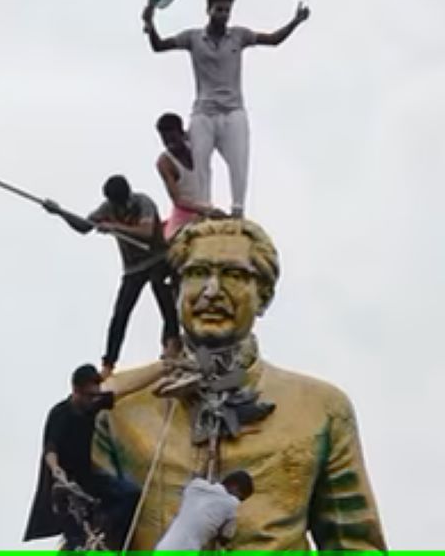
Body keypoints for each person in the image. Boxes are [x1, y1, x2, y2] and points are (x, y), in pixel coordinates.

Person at [91, 218, 387, 550]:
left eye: (234, 275)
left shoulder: (322, 410)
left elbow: (356, 545)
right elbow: (86, 539)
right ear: (175, 291)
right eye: (198, 273)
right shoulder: (119, 412)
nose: (212, 291)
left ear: (264, 296)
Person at [142, 0, 311, 219]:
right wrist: (150, 24)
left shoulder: (238, 36)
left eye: (227, 11)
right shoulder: (193, 38)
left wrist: (295, 22)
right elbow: (159, 46)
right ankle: (205, 210)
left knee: (239, 161)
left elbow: (272, 40)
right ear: (208, 10)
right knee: (201, 162)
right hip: (204, 112)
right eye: (218, 10)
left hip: (233, 110)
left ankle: (238, 210)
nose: (223, 15)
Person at [43, 175, 180, 377]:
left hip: (157, 258)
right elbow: (84, 226)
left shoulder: (143, 202)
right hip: (133, 267)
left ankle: (171, 341)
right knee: (120, 313)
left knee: (161, 291)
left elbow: (147, 231)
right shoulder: (107, 208)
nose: (120, 207)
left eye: (122, 203)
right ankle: (109, 363)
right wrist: (60, 212)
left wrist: (115, 227)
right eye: (116, 204)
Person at [23, 361, 167, 550]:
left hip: (87, 478)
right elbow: (50, 449)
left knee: (130, 494)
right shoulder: (60, 414)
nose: (94, 399)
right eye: (89, 395)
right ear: (76, 390)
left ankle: (108, 534)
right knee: (74, 540)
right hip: (65, 488)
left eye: (95, 395)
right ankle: (79, 541)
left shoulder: (92, 404)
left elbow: (126, 390)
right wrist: (57, 470)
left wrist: (163, 372)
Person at [155, 112, 227, 242]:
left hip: (207, 211)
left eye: (173, 139)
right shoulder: (165, 163)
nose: (170, 145)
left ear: (182, 133)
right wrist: (206, 210)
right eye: (166, 141)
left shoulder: (195, 144)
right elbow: (178, 200)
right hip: (184, 218)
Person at [154, 471, 254, 551]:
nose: (240, 501)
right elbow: (225, 537)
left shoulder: (195, 486)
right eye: (241, 498)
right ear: (235, 488)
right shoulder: (232, 504)